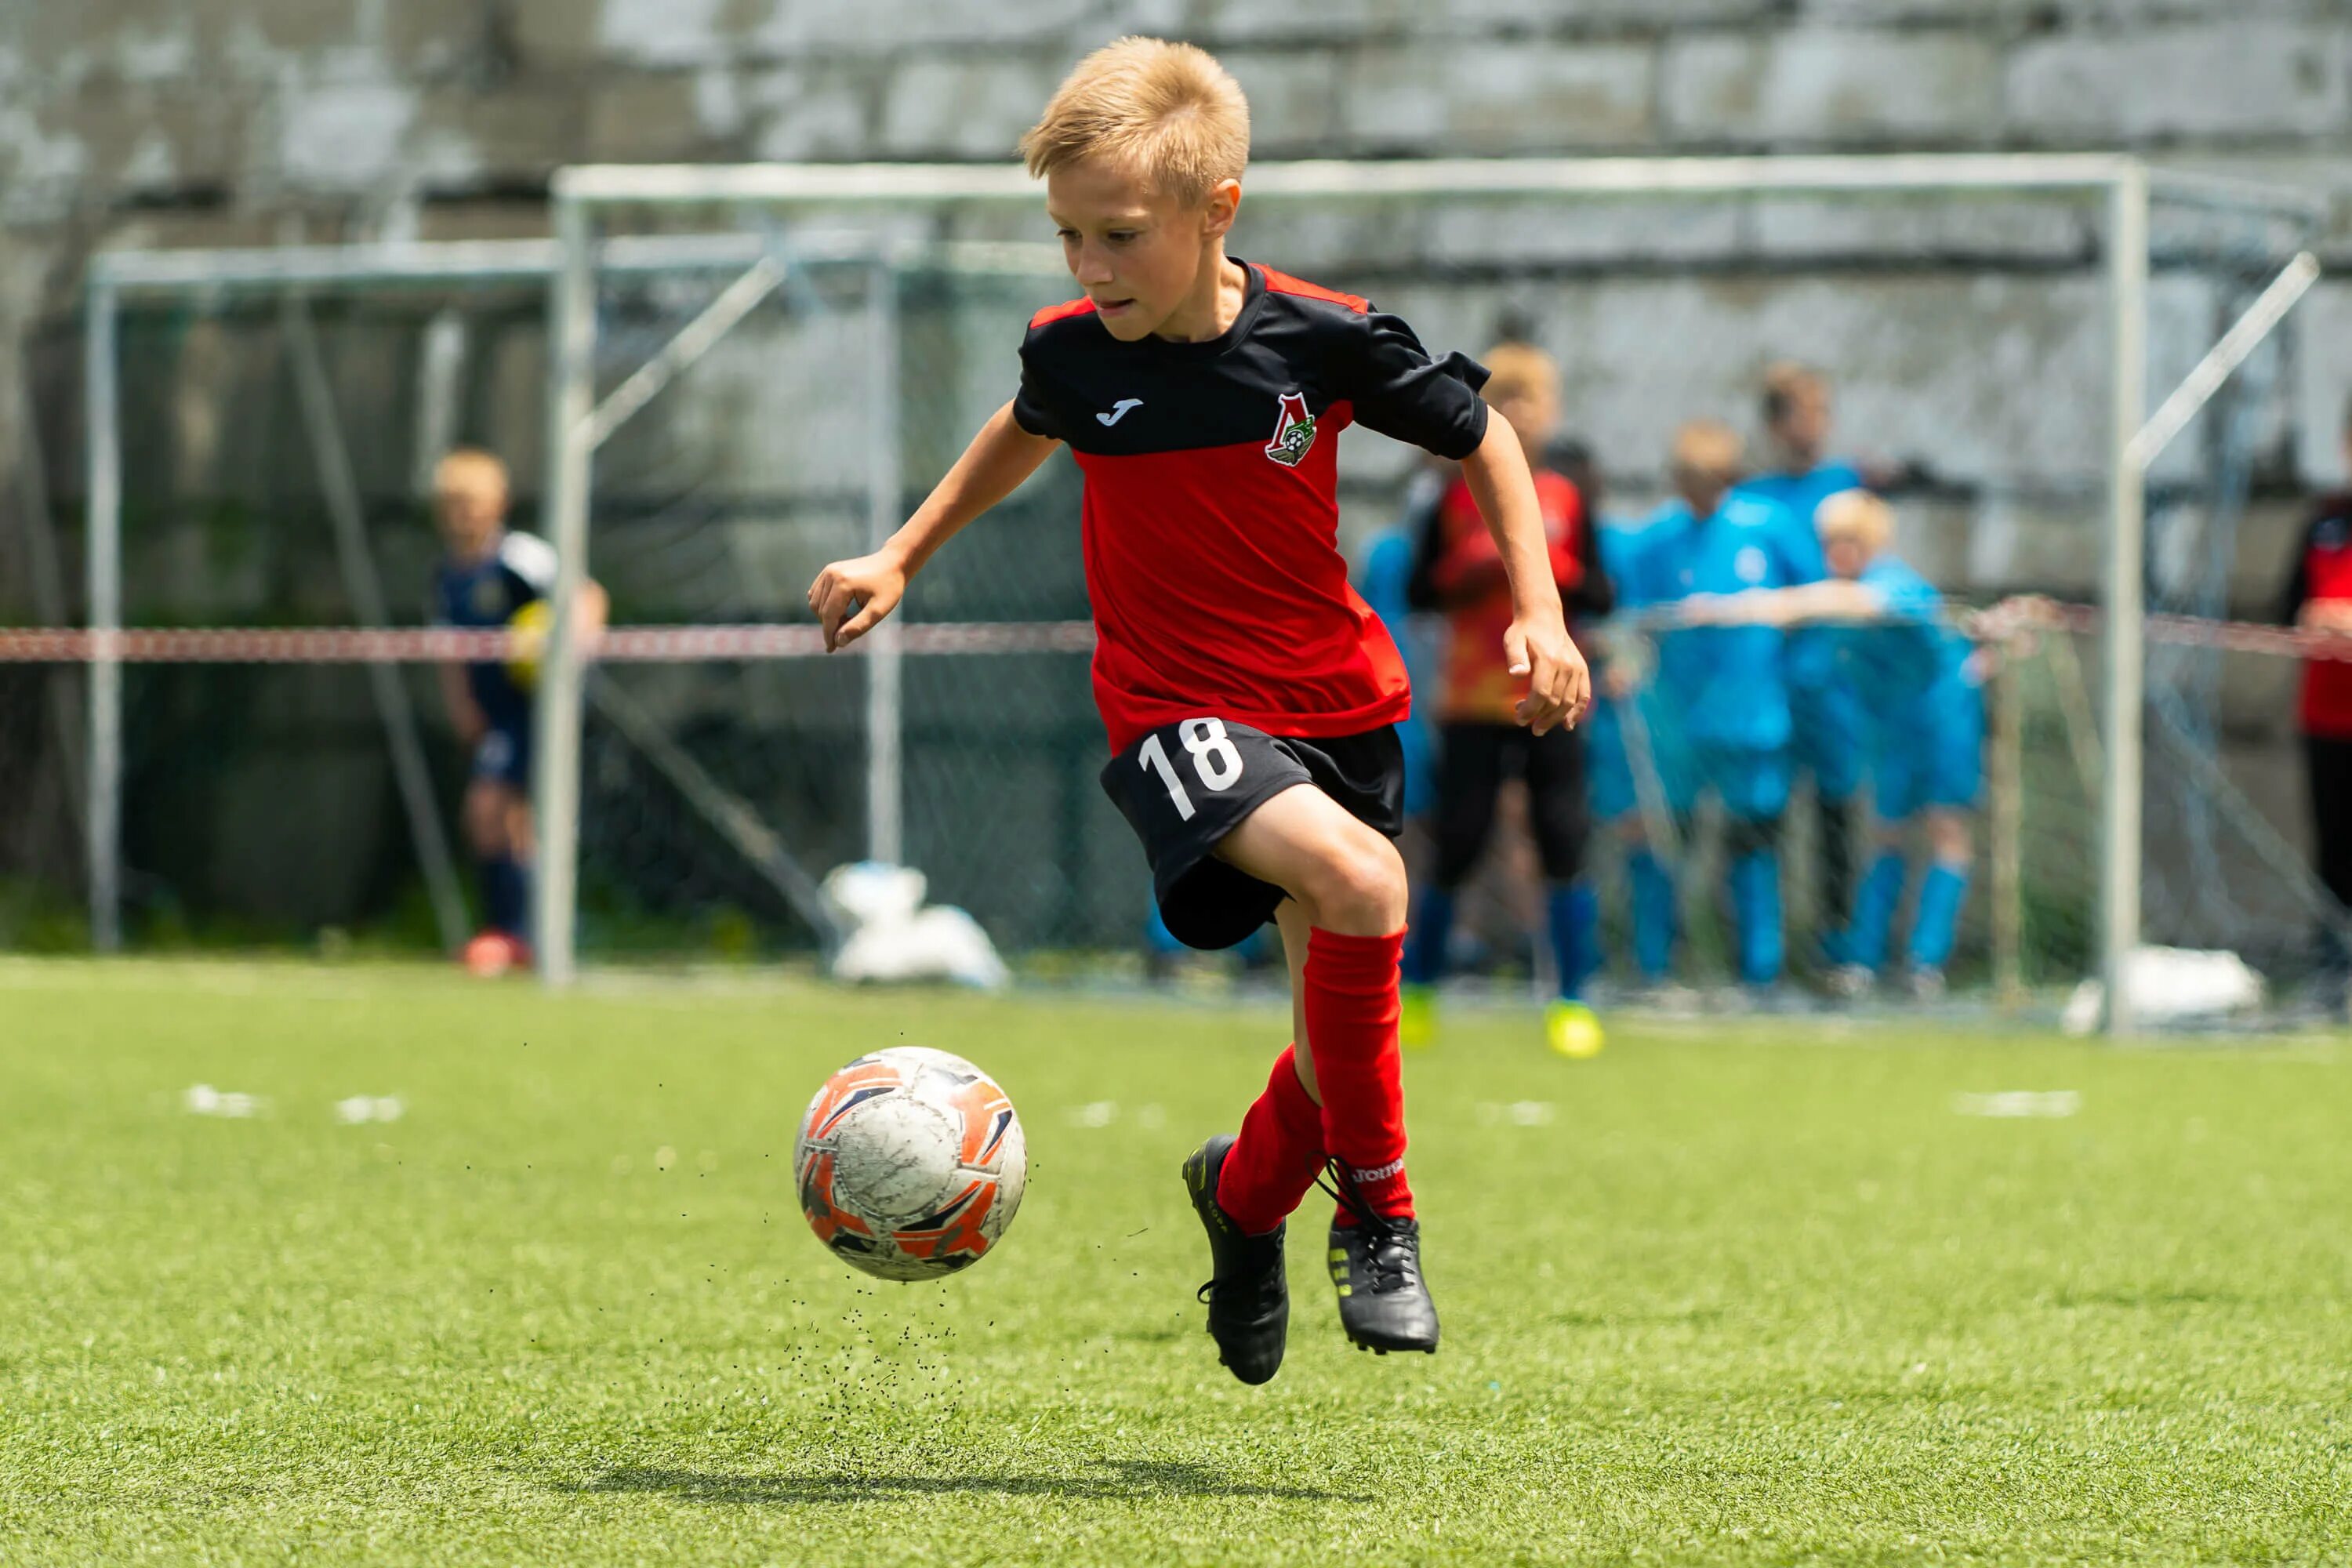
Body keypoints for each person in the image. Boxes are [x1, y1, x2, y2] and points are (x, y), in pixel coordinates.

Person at [804, 38, 1588, 1384]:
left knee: (1331, 1038)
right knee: (1363, 883)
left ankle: (1243, 1198)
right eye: (1066, 238)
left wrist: (1542, 611)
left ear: (1217, 208)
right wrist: (900, 554)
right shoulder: (1072, 353)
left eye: (1118, 235)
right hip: (1177, 716)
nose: (1089, 269)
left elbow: (1489, 440)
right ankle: (1386, 1220)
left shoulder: (1321, 337)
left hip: (1339, 711)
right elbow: (1025, 425)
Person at [1396, 348, 1613, 1058]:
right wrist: (1470, 567)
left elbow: (1603, 594)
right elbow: (1419, 589)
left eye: (1531, 399)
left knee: (1563, 840)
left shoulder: (1569, 493)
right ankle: (1418, 991)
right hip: (1471, 697)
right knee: (1456, 842)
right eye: (1507, 398)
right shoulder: (1448, 494)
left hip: (1554, 694)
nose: (1518, 412)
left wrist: (1561, 571)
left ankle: (1573, 1000)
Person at [1693, 491, 1982, 997]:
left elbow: (1847, 603)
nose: (1837, 554)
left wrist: (1747, 606)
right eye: (1830, 543)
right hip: (1892, 727)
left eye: (1849, 542)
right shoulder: (1842, 598)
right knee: (1887, 833)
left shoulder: (1890, 584)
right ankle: (1863, 959)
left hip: (1942, 719)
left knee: (1944, 830)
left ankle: (1925, 961)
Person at [427, 448, 606, 974]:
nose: (462, 513)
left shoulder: (520, 556)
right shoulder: (445, 575)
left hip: (531, 711)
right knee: (506, 822)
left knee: (489, 813)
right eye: (453, 503)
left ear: (498, 504)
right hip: (493, 714)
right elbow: (451, 650)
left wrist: (570, 651)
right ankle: (526, 936)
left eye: (473, 502)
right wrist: (461, 705)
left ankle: (514, 934)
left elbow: (587, 597)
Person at [1648, 422, 1809, 992]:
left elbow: (1811, 603)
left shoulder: (1768, 527)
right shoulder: (1659, 538)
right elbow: (1634, 616)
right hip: (1681, 724)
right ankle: (1657, 965)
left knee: (1755, 844)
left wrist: (1789, 670)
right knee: (1670, 845)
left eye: (1708, 481)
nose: (1697, 493)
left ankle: (1760, 971)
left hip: (1753, 720)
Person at [1735, 364, 1867, 963]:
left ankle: (1837, 951)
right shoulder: (1751, 501)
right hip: (1767, 686)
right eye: (1797, 413)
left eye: (1820, 412)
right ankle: (1760, 956)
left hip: (1835, 685)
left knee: (1836, 818)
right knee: (1760, 817)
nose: (1810, 427)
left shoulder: (1848, 489)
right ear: (1773, 424)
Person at [2277, 401, 2352, 1014]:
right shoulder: (2324, 525)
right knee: (2332, 845)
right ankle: (2333, 967)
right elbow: (2284, 611)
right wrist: (2313, 621)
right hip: (2325, 718)